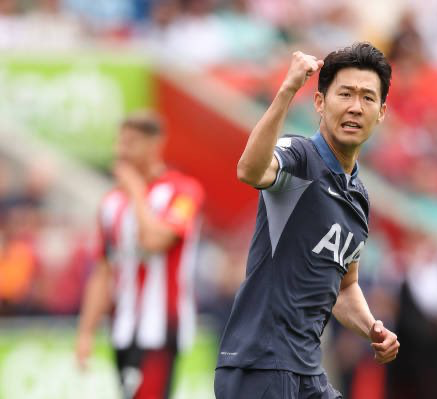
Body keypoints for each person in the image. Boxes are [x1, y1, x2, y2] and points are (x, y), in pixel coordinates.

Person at [214, 42, 400, 398]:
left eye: (367, 98)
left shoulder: (359, 195)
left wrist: (372, 327)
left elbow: (344, 287)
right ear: (319, 102)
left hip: (306, 370)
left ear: (381, 112)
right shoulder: (299, 157)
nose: (355, 107)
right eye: (345, 94)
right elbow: (249, 170)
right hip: (260, 366)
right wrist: (286, 90)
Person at [76, 111, 204, 399]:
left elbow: (154, 240)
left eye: (130, 143)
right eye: (119, 143)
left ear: (154, 144)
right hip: (123, 327)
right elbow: (103, 270)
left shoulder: (183, 192)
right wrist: (85, 333)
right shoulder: (110, 202)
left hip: (161, 328)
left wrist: (136, 191)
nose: (120, 151)